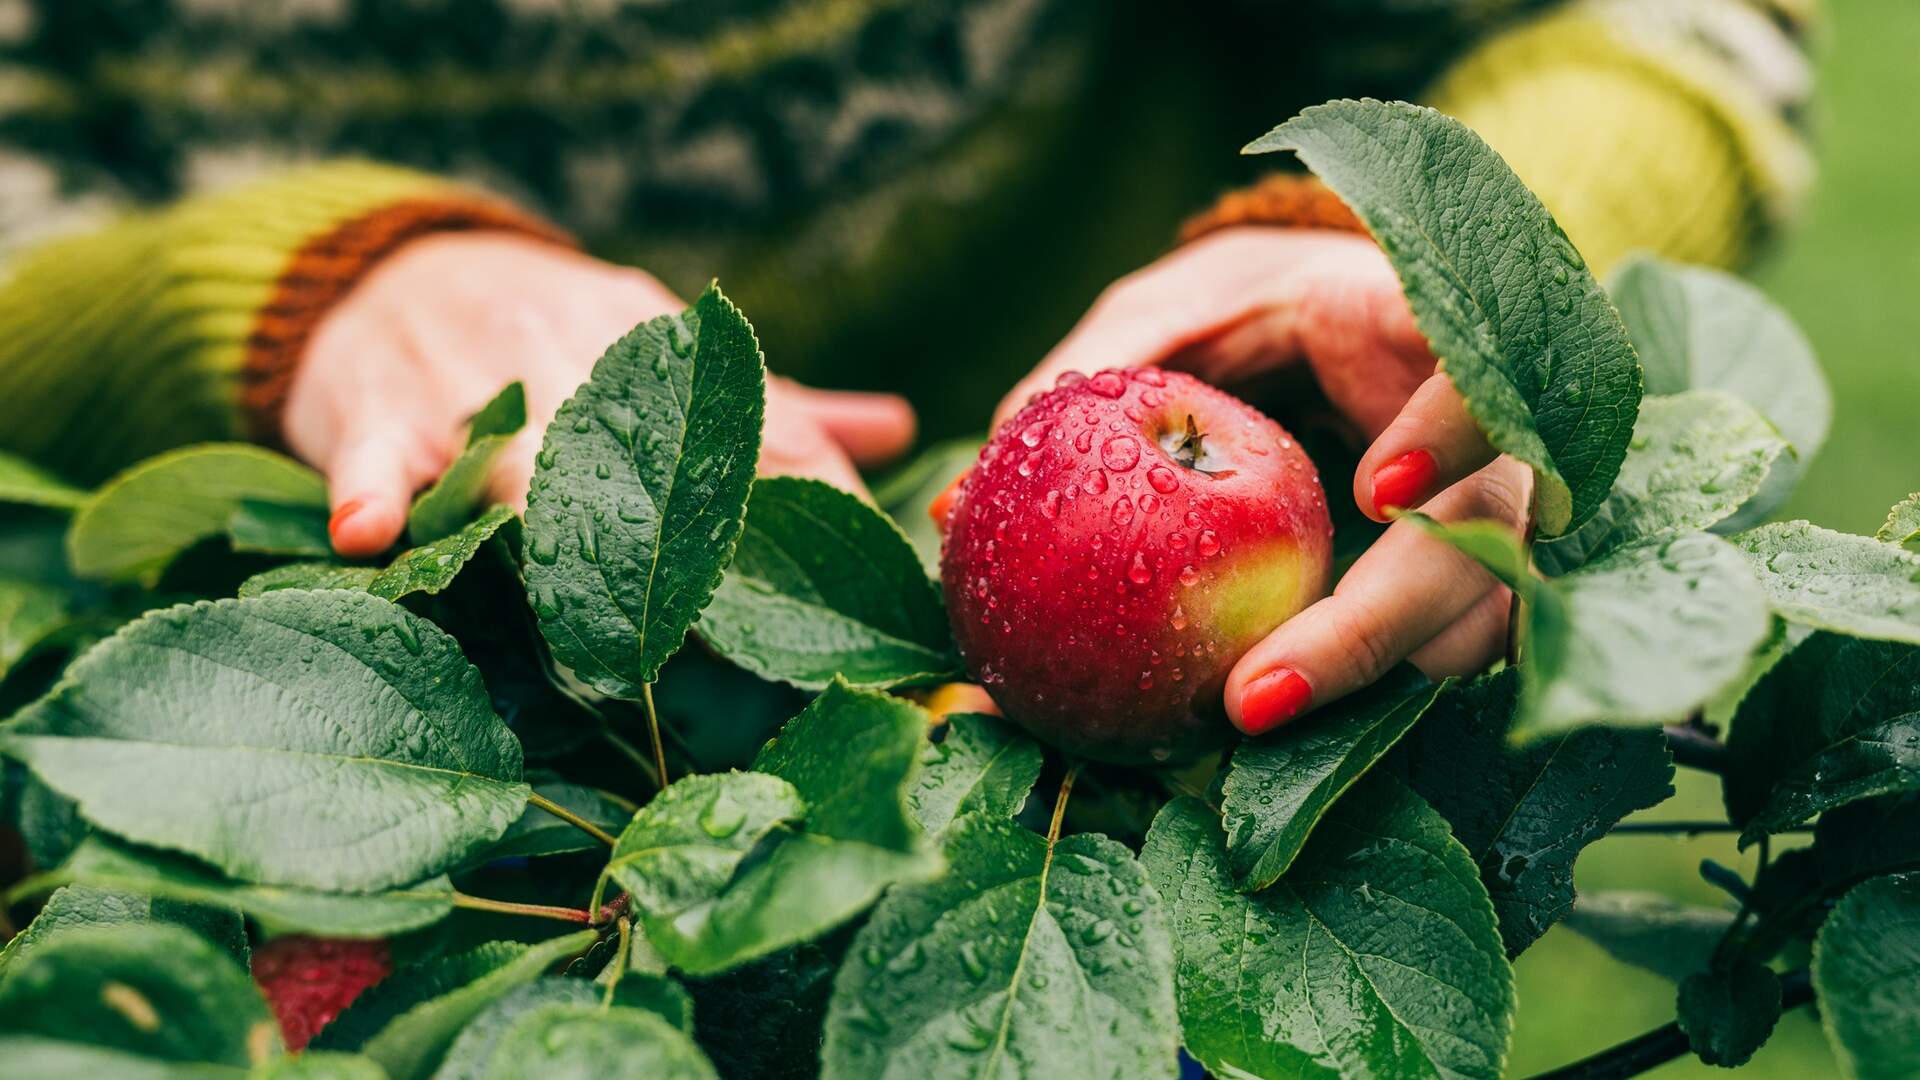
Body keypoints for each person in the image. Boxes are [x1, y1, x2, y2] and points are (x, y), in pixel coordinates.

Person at [0, 0, 1817, 733]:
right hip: (296, 692)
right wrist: (281, 294)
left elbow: (1662, 21)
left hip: (1139, 738)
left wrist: (1440, 266)